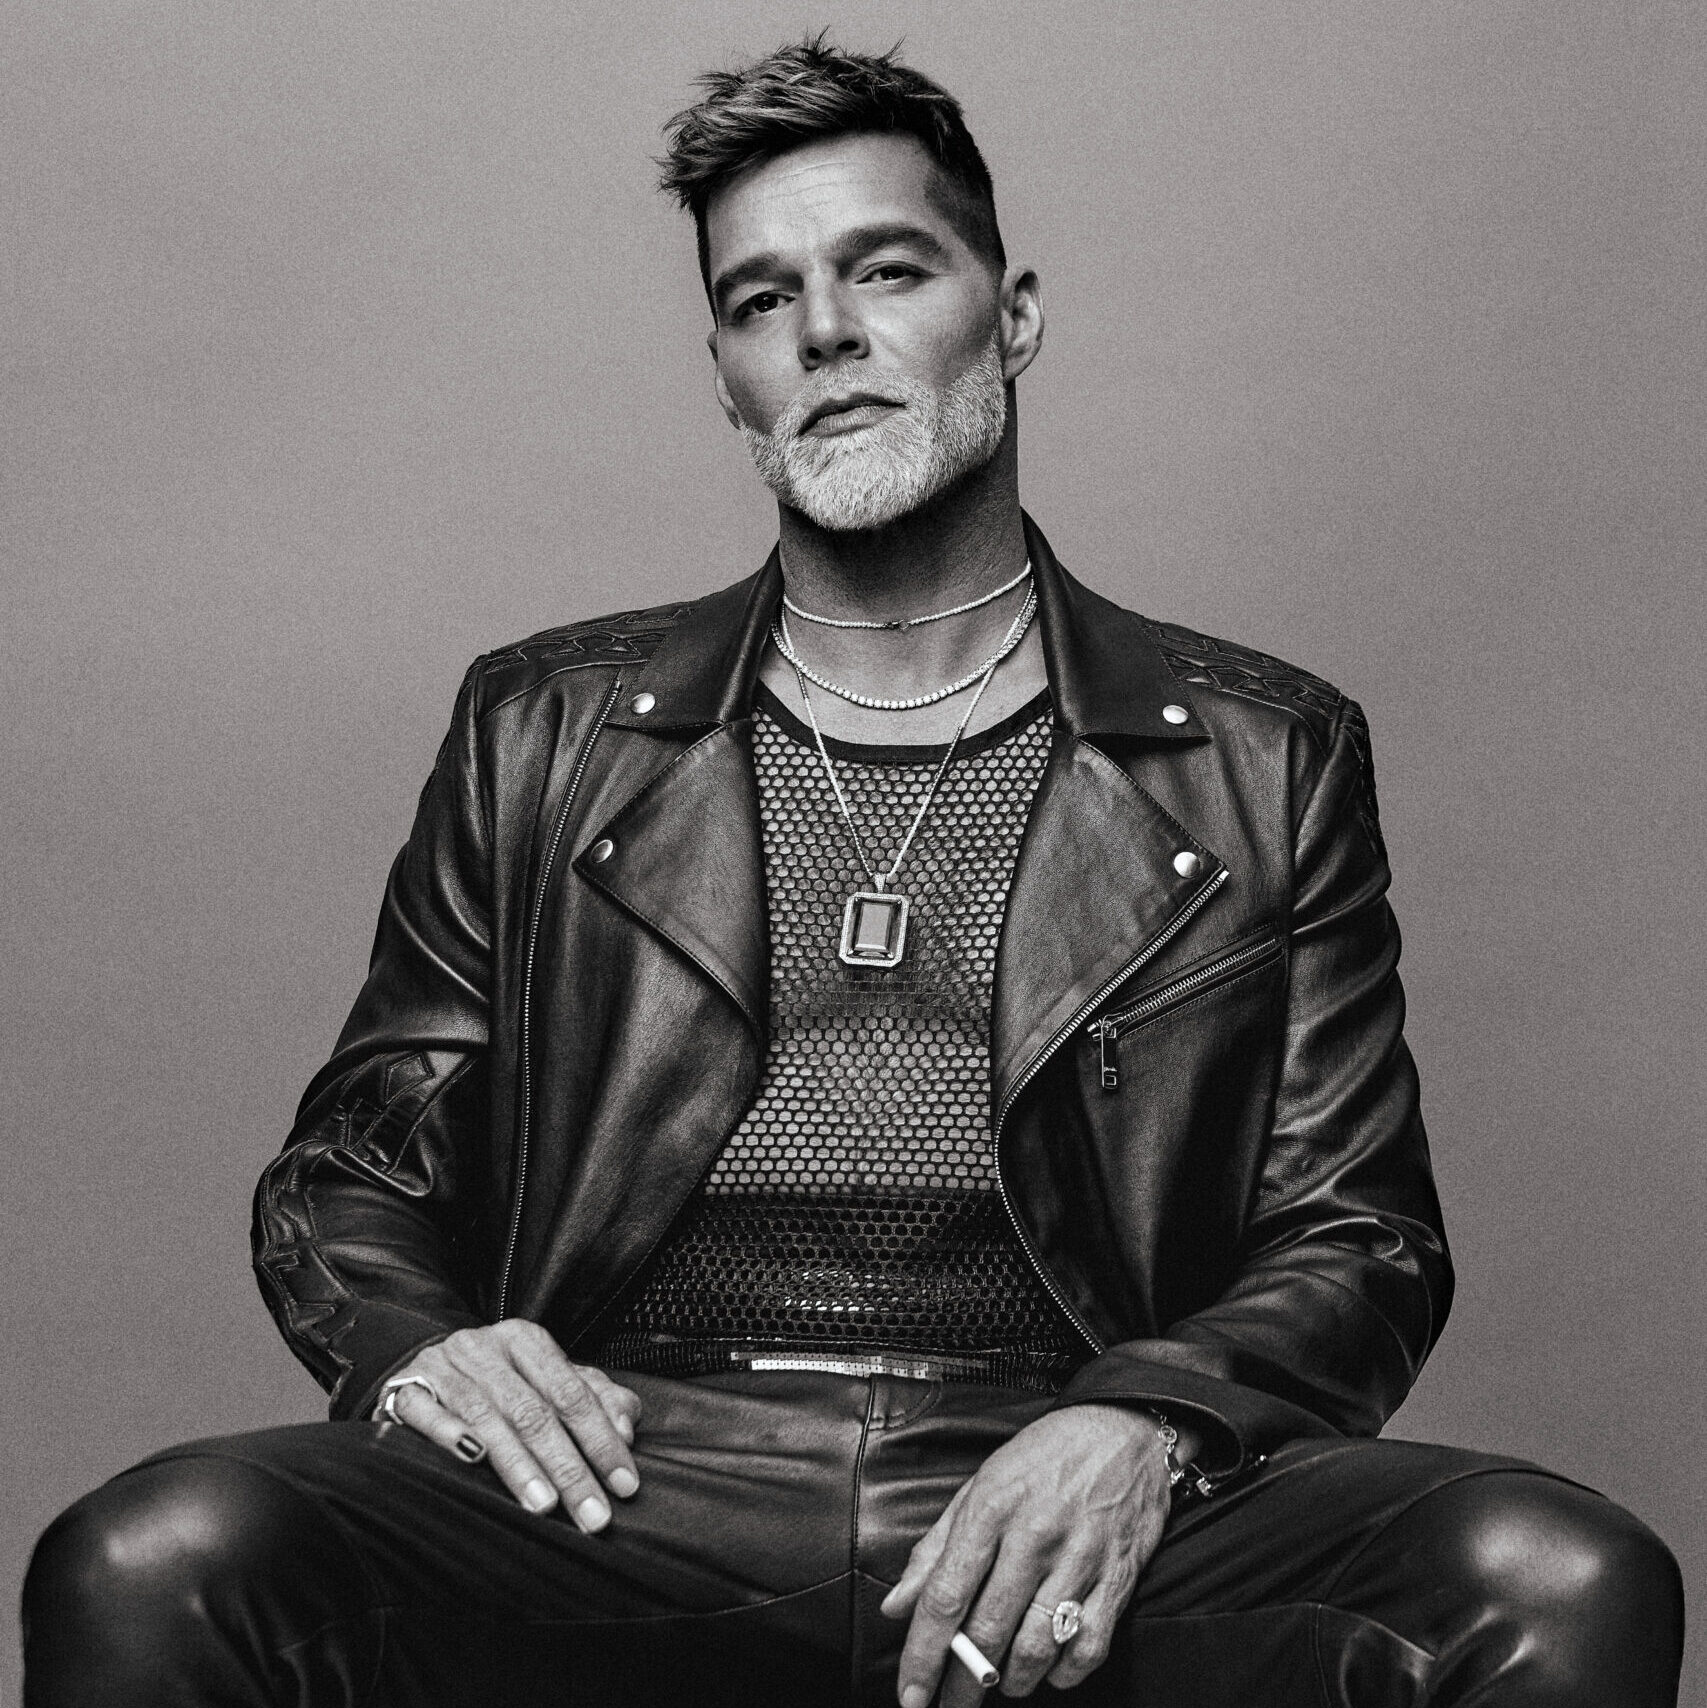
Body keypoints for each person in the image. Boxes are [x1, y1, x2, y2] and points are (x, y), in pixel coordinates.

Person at [22, 36, 1684, 1708]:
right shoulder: (546, 728)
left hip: (1058, 1459)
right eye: (762, 300)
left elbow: (1361, 1234)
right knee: (154, 1556)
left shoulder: (1266, 754)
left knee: (1555, 1581)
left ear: (1011, 316)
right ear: (728, 375)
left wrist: (1153, 1420)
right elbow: (354, 1166)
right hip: (628, 1484)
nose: (824, 331)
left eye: (888, 271)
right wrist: (425, 1352)